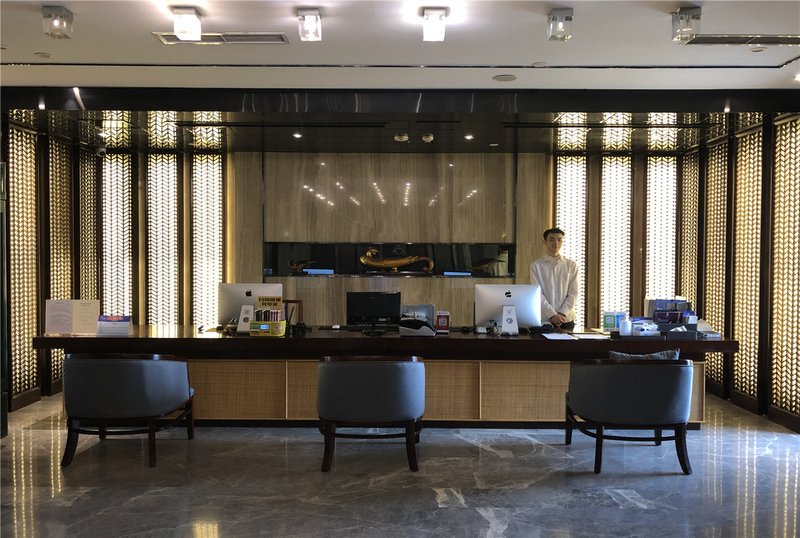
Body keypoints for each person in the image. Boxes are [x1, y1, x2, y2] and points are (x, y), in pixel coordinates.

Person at [529, 227, 578, 331]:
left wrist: (562, 313)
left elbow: (573, 293)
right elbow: (537, 293)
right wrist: (552, 314)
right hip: (544, 319)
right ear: (544, 242)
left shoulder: (571, 265)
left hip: (566, 319)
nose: (556, 243)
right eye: (551, 240)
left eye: (559, 240)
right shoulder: (536, 266)